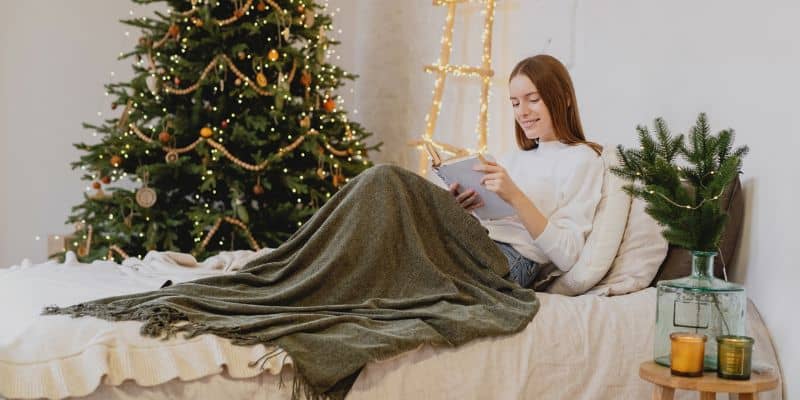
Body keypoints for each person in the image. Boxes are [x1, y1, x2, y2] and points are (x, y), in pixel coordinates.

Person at [447, 54, 604, 289]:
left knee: (390, 181)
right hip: (476, 241)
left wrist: (516, 196)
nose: (522, 112)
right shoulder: (510, 158)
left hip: (513, 259)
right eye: (515, 103)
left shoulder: (582, 159)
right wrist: (464, 209)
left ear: (565, 99)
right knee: (396, 187)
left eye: (533, 99)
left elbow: (568, 255)